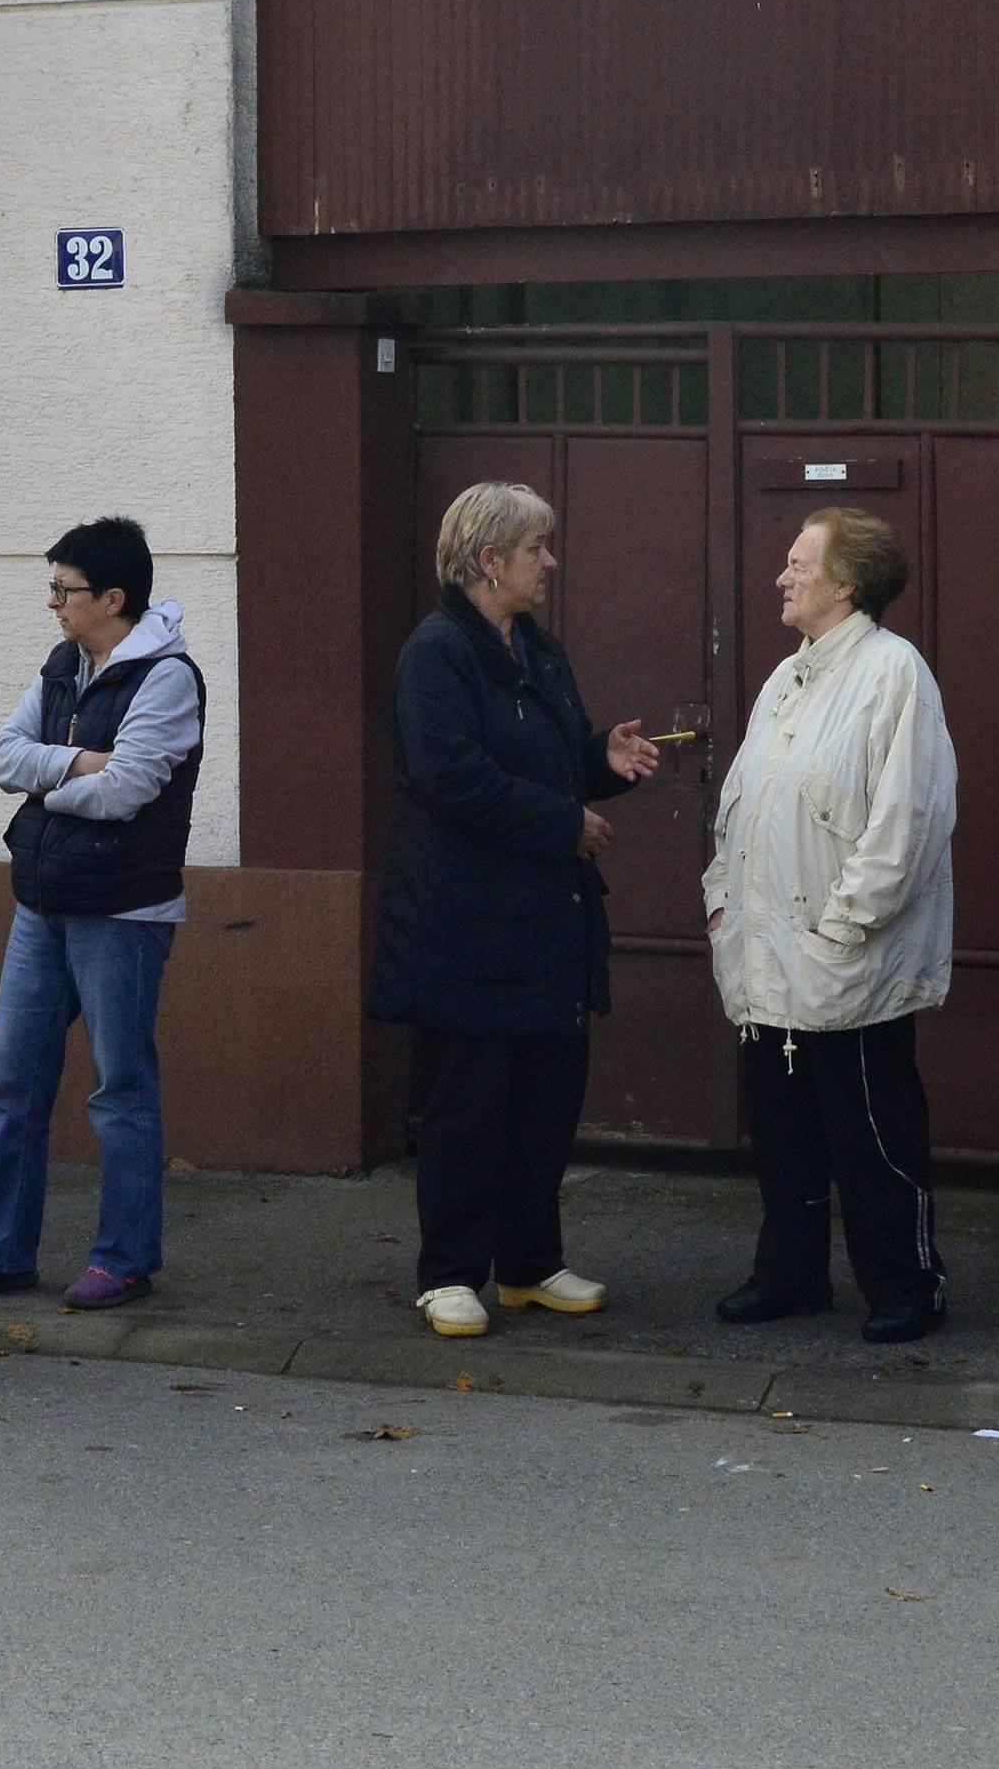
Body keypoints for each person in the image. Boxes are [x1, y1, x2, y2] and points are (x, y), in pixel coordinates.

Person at [370, 481, 659, 1339]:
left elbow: (550, 755)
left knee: (544, 1099)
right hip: (462, 924)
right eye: (537, 547)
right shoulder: (437, 652)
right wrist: (563, 820)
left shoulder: (536, 647)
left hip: (546, 923)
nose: (550, 561)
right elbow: (450, 775)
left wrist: (600, 758)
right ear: (490, 561)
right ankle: (451, 1273)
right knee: (467, 1104)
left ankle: (531, 1264)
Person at [0, 516, 205, 1311]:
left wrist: (49, 779)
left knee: (119, 1089)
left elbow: (127, 793)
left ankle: (123, 1258)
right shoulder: (63, 665)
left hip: (125, 908)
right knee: (12, 1081)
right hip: (43, 903)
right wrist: (76, 762)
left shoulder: (167, 678)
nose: (51, 601)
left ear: (113, 597)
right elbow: (2, 755)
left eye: (64, 588)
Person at [704, 507, 955, 1344]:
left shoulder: (894, 672)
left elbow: (908, 821)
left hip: (850, 966)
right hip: (766, 961)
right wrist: (719, 904)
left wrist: (845, 927)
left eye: (798, 562)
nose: (782, 576)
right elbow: (742, 807)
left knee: (873, 1136)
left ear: (847, 582)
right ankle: (791, 1273)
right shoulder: (786, 678)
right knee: (782, 1136)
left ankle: (906, 1285)